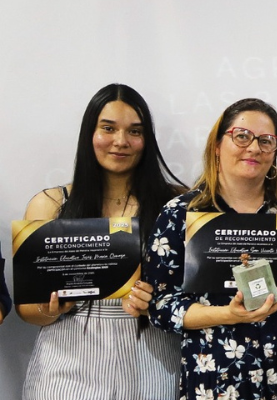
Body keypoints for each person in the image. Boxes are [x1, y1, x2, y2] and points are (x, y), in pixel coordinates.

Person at [144, 98, 277, 399]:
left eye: (266, 141)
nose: (254, 148)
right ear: (217, 145)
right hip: (217, 376)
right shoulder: (181, 213)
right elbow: (160, 306)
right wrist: (227, 314)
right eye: (242, 136)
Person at [17, 84, 183, 400]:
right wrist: (51, 308)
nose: (121, 141)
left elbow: (197, 290)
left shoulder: (176, 204)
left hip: (152, 358)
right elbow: (27, 309)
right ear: (89, 133)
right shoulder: (49, 204)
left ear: (147, 140)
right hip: (65, 364)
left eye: (135, 131)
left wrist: (159, 303)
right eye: (108, 128)